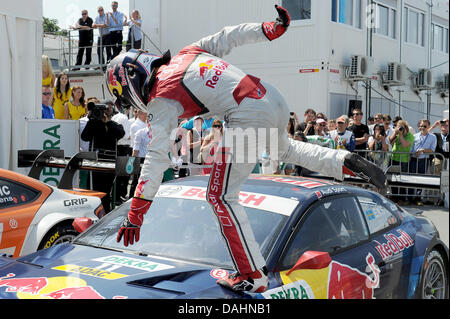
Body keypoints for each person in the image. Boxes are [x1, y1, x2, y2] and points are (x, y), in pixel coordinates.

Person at [107, 5, 387, 293]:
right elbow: (229, 36)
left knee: (220, 195)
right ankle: (345, 161)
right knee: (286, 150)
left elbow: (155, 158)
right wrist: (271, 29)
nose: (130, 106)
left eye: (125, 100)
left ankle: (252, 274)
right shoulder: (187, 53)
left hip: (246, 114)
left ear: (130, 82)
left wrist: (136, 213)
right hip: (269, 95)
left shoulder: (160, 99)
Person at [81, 103, 125, 213]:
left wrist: (108, 121)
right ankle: (94, 212)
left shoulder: (114, 125)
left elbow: (121, 133)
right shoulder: (94, 124)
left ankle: (106, 213)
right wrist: (92, 119)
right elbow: (85, 137)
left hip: (109, 163)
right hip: (96, 162)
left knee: (106, 192)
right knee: (94, 191)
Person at [408, 119, 437, 205]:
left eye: (425, 126)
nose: (422, 128)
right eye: (421, 126)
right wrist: (413, 154)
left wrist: (422, 150)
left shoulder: (433, 137)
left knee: (420, 179)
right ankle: (410, 198)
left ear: (428, 127)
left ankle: (418, 198)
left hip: (424, 160)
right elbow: (411, 149)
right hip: (414, 160)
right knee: (411, 178)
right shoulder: (415, 136)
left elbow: (432, 150)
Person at [389, 119, 414, 204]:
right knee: (393, 179)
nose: (400, 129)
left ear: (405, 128)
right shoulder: (396, 133)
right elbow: (390, 141)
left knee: (402, 180)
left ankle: (402, 198)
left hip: (403, 160)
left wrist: (401, 135)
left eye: (401, 127)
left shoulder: (410, 136)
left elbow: (404, 145)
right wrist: (395, 133)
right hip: (394, 158)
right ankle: (394, 197)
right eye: (398, 127)